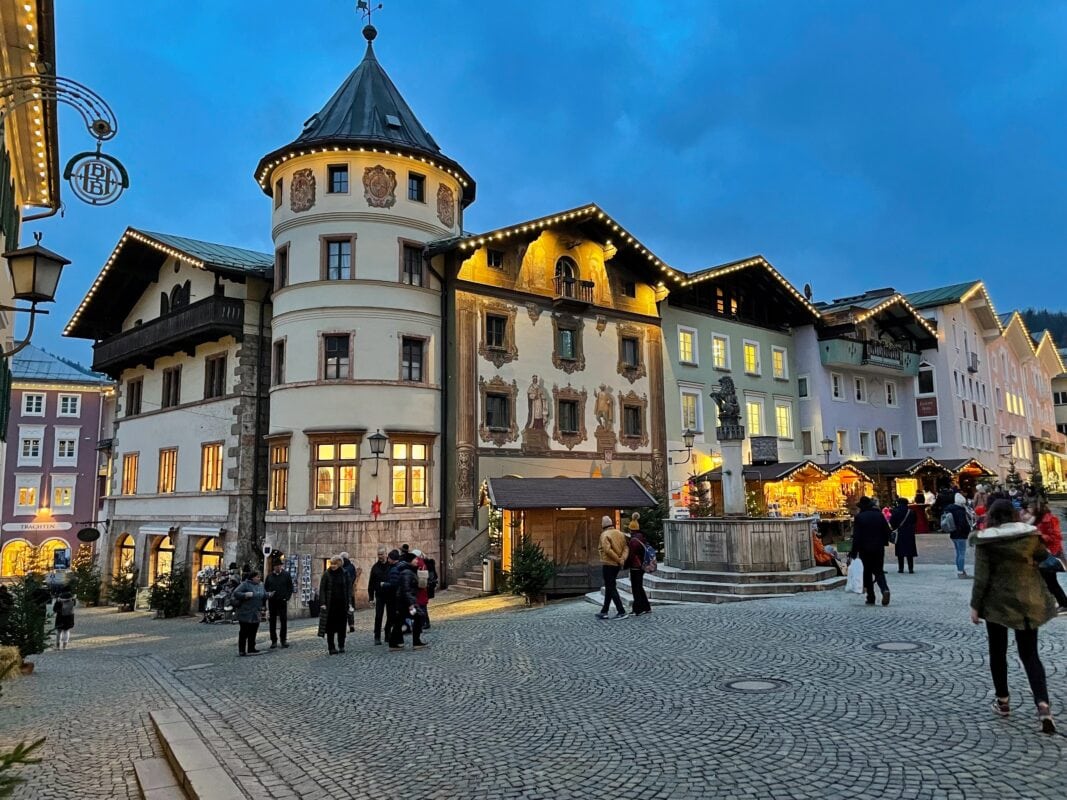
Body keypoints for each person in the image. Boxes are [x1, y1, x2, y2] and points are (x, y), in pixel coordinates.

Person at [970, 499, 1057, 734]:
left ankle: (1003, 701)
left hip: (997, 604)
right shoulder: (1029, 536)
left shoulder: (987, 540)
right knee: (1030, 654)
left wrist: (975, 607)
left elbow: (981, 578)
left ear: (991, 516)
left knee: (997, 653)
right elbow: (1044, 557)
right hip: (1028, 600)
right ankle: (1043, 706)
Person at [849, 496, 892, 606]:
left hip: (865, 549)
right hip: (878, 548)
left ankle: (871, 596)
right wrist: (883, 541)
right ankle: (884, 589)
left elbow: (857, 537)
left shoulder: (860, 517)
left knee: (867, 572)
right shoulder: (879, 515)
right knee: (878, 570)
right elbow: (887, 531)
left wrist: (853, 551)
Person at [1031, 497, 1067, 612]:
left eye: (1031, 507)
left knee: (1051, 582)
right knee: (1048, 582)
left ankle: (1063, 603)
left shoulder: (1050, 519)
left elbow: (1057, 537)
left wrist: (1041, 535)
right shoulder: (1036, 519)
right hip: (1042, 553)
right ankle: (1059, 602)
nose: (1029, 510)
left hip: (1050, 553)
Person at [388, 553, 427, 650]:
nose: (417, 561)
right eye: (415, 559)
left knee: (399, 621)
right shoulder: (407, 572)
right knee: (419, 616)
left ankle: (393, 643)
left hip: (403, 602)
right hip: (406, 602)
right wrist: (411, 604)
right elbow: (406, 590)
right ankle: (416, 642)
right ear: (410, 561)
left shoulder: (409, 571)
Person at [596, 515, 627, 620]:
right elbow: (626, 547)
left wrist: (618, 559)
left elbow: (607, 550)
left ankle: (621, 611)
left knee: (611, 587)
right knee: (609, 587)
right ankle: (604, 610)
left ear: (603, 525)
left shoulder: (604, 535)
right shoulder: (620, 533)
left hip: (608, 563)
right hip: (617, 565)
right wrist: (622, 559)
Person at [318, 557, 350, 654]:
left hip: (342, 604)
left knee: (342, 626)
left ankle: (341, 645)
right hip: (330, 605)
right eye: (331, 564)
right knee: (330, 627)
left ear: (340, 564)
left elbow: (348, 589)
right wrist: (323, 603)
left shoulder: (345, 573)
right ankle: (331, 647)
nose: (332, 566)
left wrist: (349, 603)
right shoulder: (327, 574)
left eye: (335, 564)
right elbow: (322, 589)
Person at [233, 570, 266, 657]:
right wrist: (245, 595)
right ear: (252, 577)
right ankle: (242, 650)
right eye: (257, 577)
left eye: (259, 577)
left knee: (253, 631)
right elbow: (236, 593)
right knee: (244, 632)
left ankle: (251, 648)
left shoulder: (261, 585)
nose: (259, 578)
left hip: (256, 611)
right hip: (245, 611)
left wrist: (268, 594)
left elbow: (263, 594)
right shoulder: (245, 584)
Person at [264, 560, 294, 649]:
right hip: (272, 601)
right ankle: (273, 641)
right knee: (272, 621)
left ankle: (283, 640)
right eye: (276, 566)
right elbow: (266, 588)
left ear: (281, 566)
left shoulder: (286, 575)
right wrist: (269, 595)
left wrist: (287, 597)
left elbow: (290, 587)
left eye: (279, 566)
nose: (278, 567)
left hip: (282, 601)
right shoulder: (269, 576)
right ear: (274, 567)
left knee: (283, 621)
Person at [625, 515, 651, 616]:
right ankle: (646, 607)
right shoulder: (642, 537)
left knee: (636, 588)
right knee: (639, 587)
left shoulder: (633, 541)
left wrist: (625, 565)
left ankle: (638, 609)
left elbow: (631, 555)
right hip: (642, 566)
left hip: (636, 567)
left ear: (631, 529)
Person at [944, 492, 973, 578]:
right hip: (961, 534)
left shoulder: (949, 509)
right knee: (962, 553)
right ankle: (961, 572)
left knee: (958, 553)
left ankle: (960, 570)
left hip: (953, 533)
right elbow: (962, 523)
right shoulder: (960, 510)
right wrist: (967, 530)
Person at [368, 546, 392, 644]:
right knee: (378, 616)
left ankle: (387, 634)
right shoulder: (375, 567)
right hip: (379, 595)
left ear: (386, 554)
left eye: (382, 554)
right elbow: (371, 584)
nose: (380, 556)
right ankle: (377, 636)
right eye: (378, 554)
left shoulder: (390, 566)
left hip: (390, 594)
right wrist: (371, 597)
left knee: (390, 616)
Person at [889, 496, 917, 574]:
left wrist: (895, 527)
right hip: (909, 532)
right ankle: (910, 568)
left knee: (900, 551)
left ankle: (901, 568)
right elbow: (915, 521)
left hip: (899, 532)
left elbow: (892, 521)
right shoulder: (911, 511)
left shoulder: (895, 511)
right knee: (910, 551)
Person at [340, 551, 360, 633]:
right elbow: (354, 576)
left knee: (343, 608)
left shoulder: (343, 567)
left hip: (344, 590)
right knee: (349, 607)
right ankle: (351, 625)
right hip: (350, 590)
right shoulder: (351, 566)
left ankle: (342, 626)